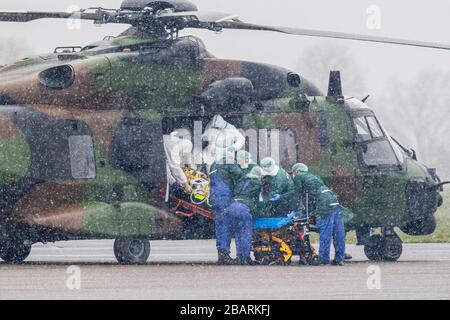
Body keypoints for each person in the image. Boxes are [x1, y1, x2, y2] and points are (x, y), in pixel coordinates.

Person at [291, 163, 346, 266]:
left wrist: (299, 210)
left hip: (324, 204)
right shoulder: (314, 177)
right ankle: (339, 258)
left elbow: (297, 194)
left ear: (296, 171)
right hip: (334, 201)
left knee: (325, 232)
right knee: (338, 233)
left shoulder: (298, 177)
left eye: (293, 172)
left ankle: (323, 258)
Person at [209, 151, 248, 265]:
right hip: (224, 198)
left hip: (214, 197)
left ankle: (222, 254)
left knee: (220, 225)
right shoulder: (229, 163)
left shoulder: (214, 164)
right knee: (226, 226)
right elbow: (240, 175)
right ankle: (226, 255)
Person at [227, 166, 264, 265]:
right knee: (245, 233)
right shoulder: (257, 183)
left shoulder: (242, 181)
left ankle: (239, 256)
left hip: (232, 206)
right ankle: (245, 257)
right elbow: (260, 200)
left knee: (238, 233)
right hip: (243, 208)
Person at [163, 131, 194, 201]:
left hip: (159, 150)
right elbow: (175, 167)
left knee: (167, 174)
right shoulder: (175, 148)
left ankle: (172, 188)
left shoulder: (178, 142)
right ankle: (164, 201)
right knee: (166, 175)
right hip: (156, 151)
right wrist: (186, 184)